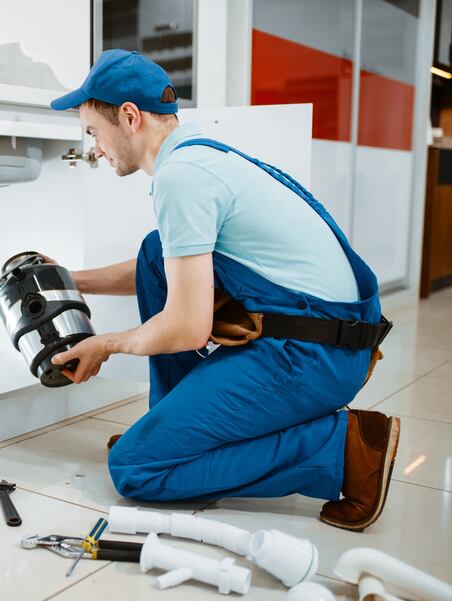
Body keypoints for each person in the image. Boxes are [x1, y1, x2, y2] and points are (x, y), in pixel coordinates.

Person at [44, 49, 398, 532]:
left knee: (136, 468)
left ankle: (339, 447)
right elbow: (172, 267)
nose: (95, 148)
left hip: (313, 357)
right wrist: (68, 278)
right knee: (155, 253)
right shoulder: (203, 158)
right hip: (326, 338)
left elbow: (188, 328)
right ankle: (171, 431)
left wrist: (105, 343)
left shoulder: (181, 179)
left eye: (93, 133)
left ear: (128, 117)